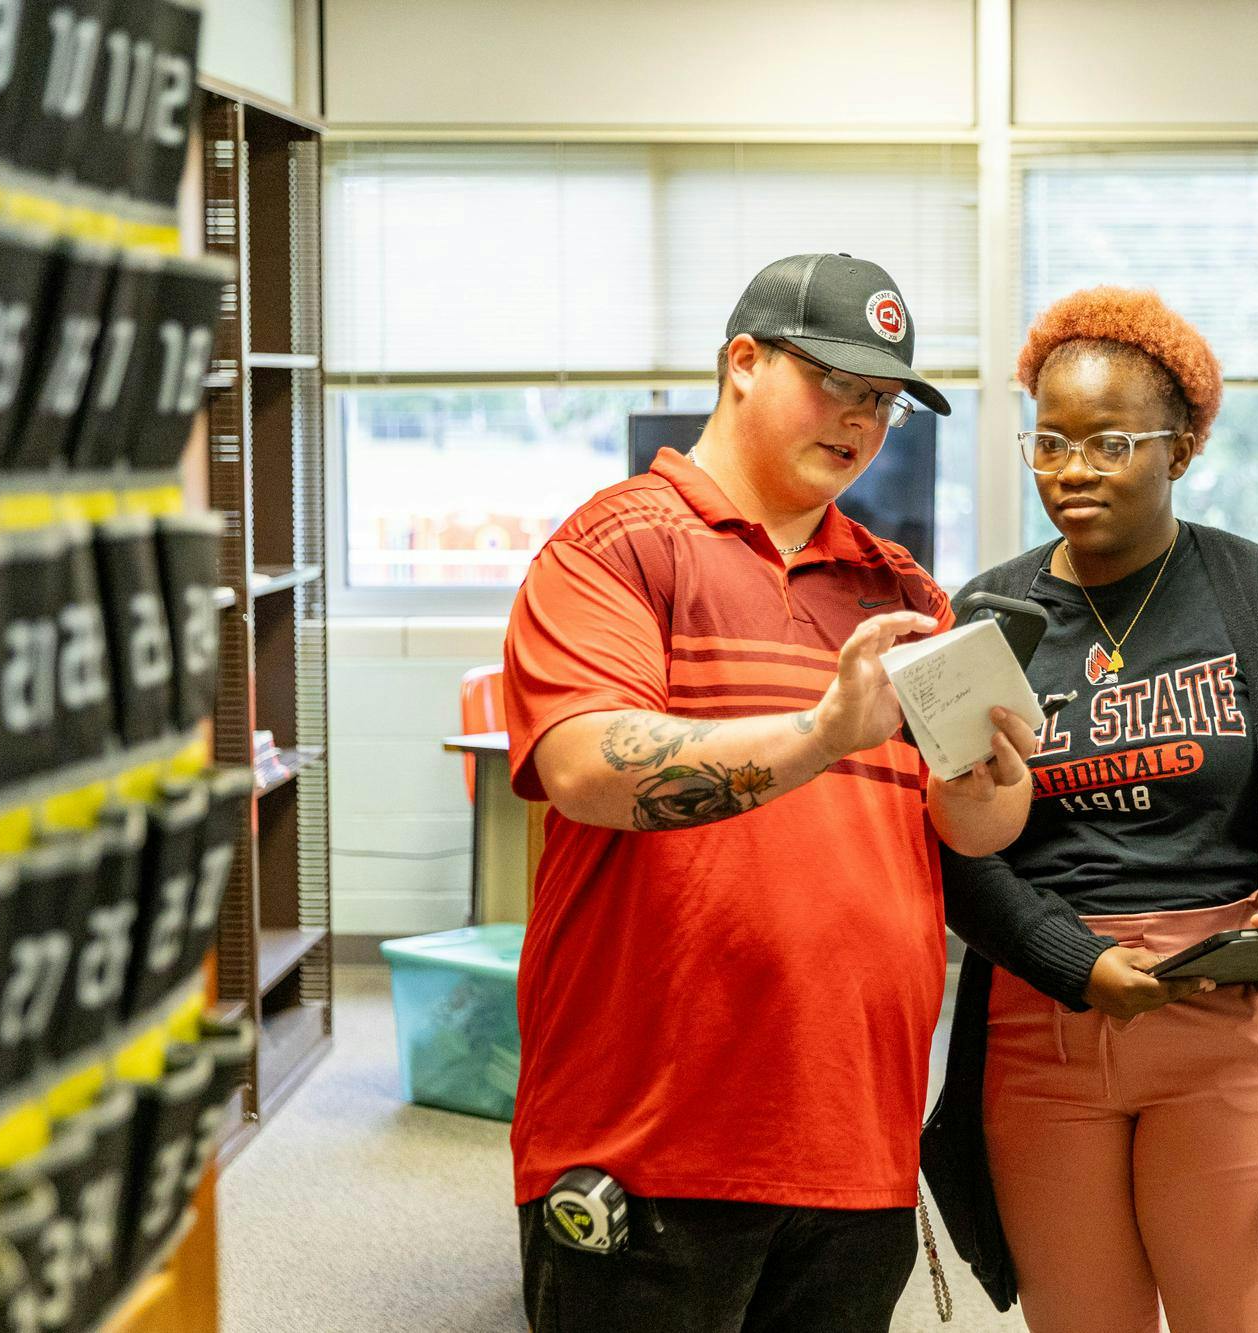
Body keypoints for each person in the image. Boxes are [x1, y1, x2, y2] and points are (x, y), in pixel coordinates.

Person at [503, 253, 1038, 1333]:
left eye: (883, 401)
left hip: (854, 1140)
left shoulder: (903, 591)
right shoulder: (613, 547)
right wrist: (822, 732)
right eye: (836, 382)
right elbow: (588, 769)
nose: (862, 420)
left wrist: (992, 783)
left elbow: (971, 829)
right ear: (742, 361)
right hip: (651, 1141)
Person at [922, 287, 1258, 1333]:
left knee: (1239, 1315)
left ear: (1180, 448)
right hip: (1043, 1016)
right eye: (1050, 442)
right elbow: (951, 847)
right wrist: (1070, 959)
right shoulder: (984, 621)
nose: (1072, 470)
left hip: (1228, 1011)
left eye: (1109, 443)